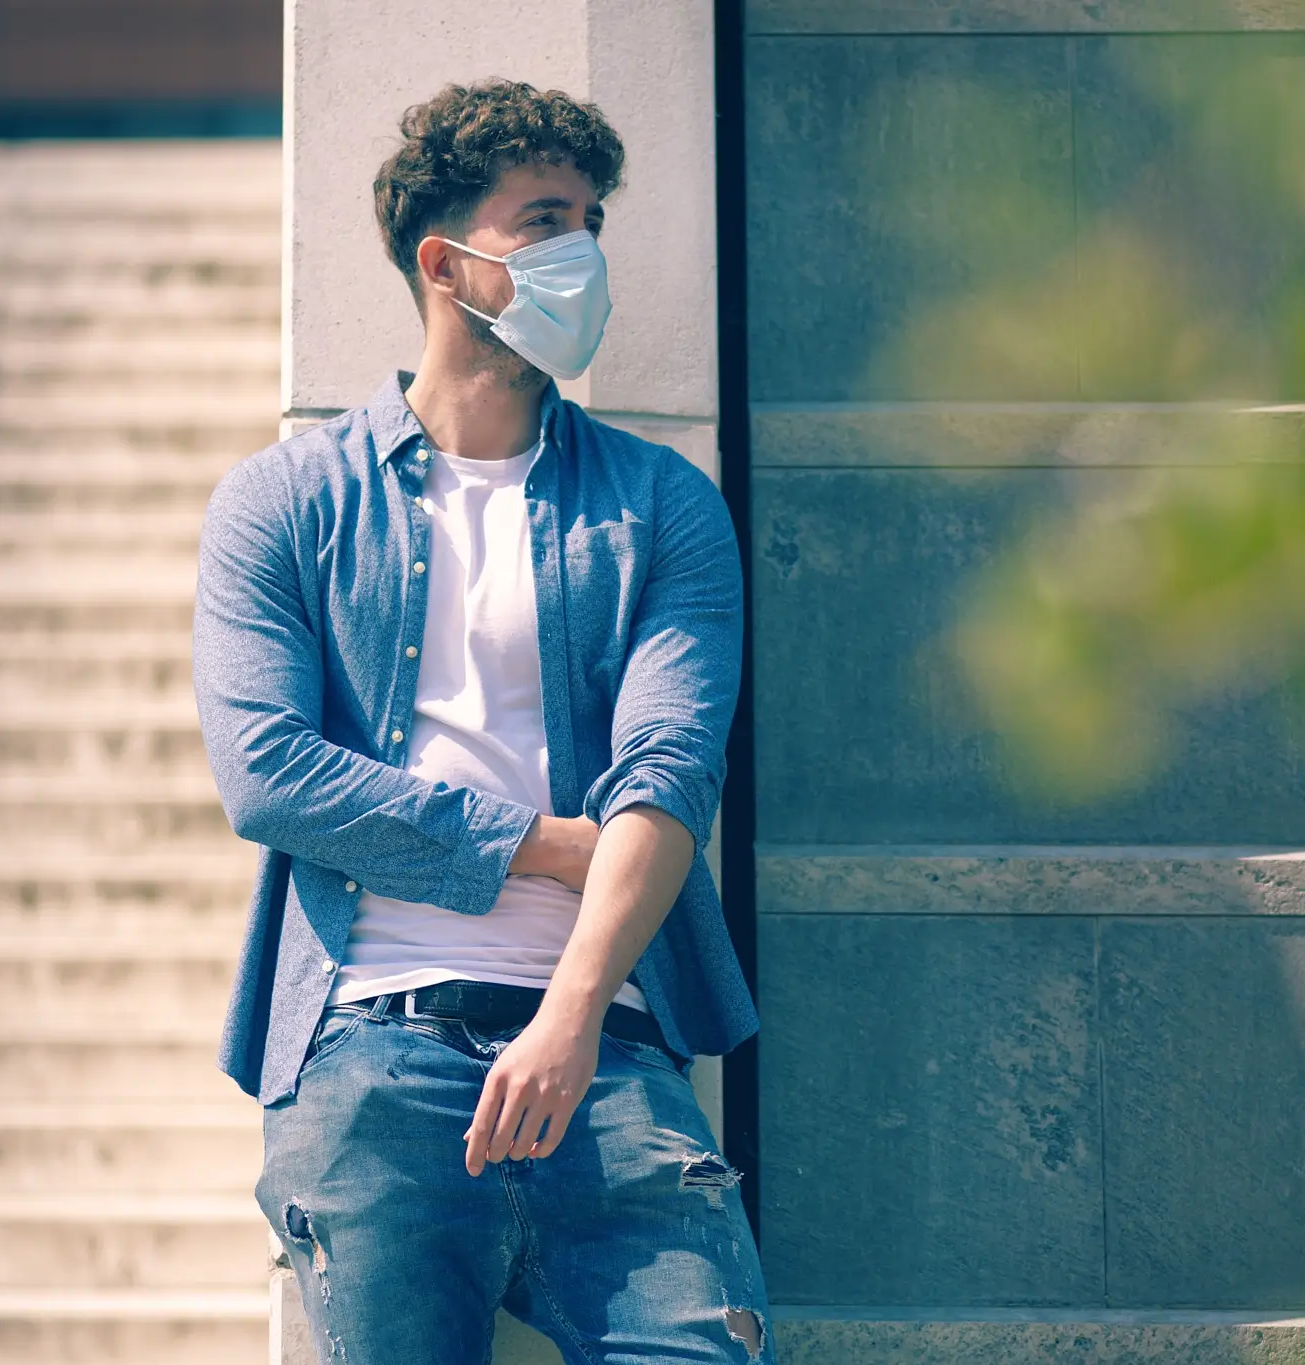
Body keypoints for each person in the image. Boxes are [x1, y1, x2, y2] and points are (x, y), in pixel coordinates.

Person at [192, 79, 772, 1364]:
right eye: (545, 219)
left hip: (607, 1045)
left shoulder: (658, 505)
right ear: (446, 262)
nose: (585, 254)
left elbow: (668, 780)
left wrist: (567, 1021)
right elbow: (271, 779)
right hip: (366, 1048)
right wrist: (558, 843)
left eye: (592, 220)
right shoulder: (284, 504)